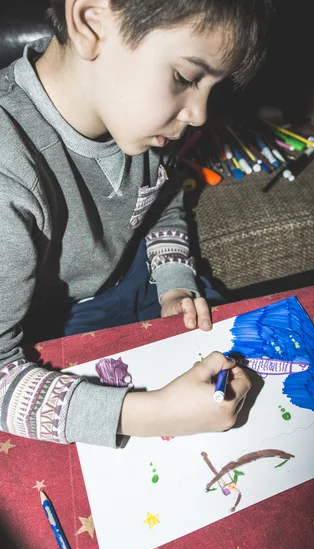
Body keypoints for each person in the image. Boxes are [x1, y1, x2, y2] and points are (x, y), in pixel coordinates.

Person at [0, 0, 270, 447]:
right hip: (48, 323)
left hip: (138, 282)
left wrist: (175, 282)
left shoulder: (139, 119)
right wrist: (153, 414)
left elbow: (161, 202)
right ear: (91, 22)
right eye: (184, 77)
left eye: (211, 89)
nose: (199, 115)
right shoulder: (9, 169)